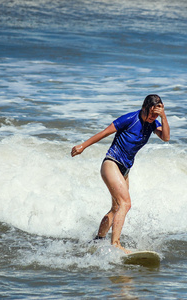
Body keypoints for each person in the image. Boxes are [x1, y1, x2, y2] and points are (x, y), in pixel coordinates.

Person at [71, 94, 170, 254]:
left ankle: (97, 240)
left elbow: (166, 137)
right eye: (151, 113)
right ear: (144, 108)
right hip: (111, 163)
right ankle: (115, 244)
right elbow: (104, 133)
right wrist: (83, 146)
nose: (153, 117)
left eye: (156, 114)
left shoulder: (152, 124)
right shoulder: (130, 118)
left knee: (116, 207)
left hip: (125, 170)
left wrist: (163, 116)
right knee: (126, 204)